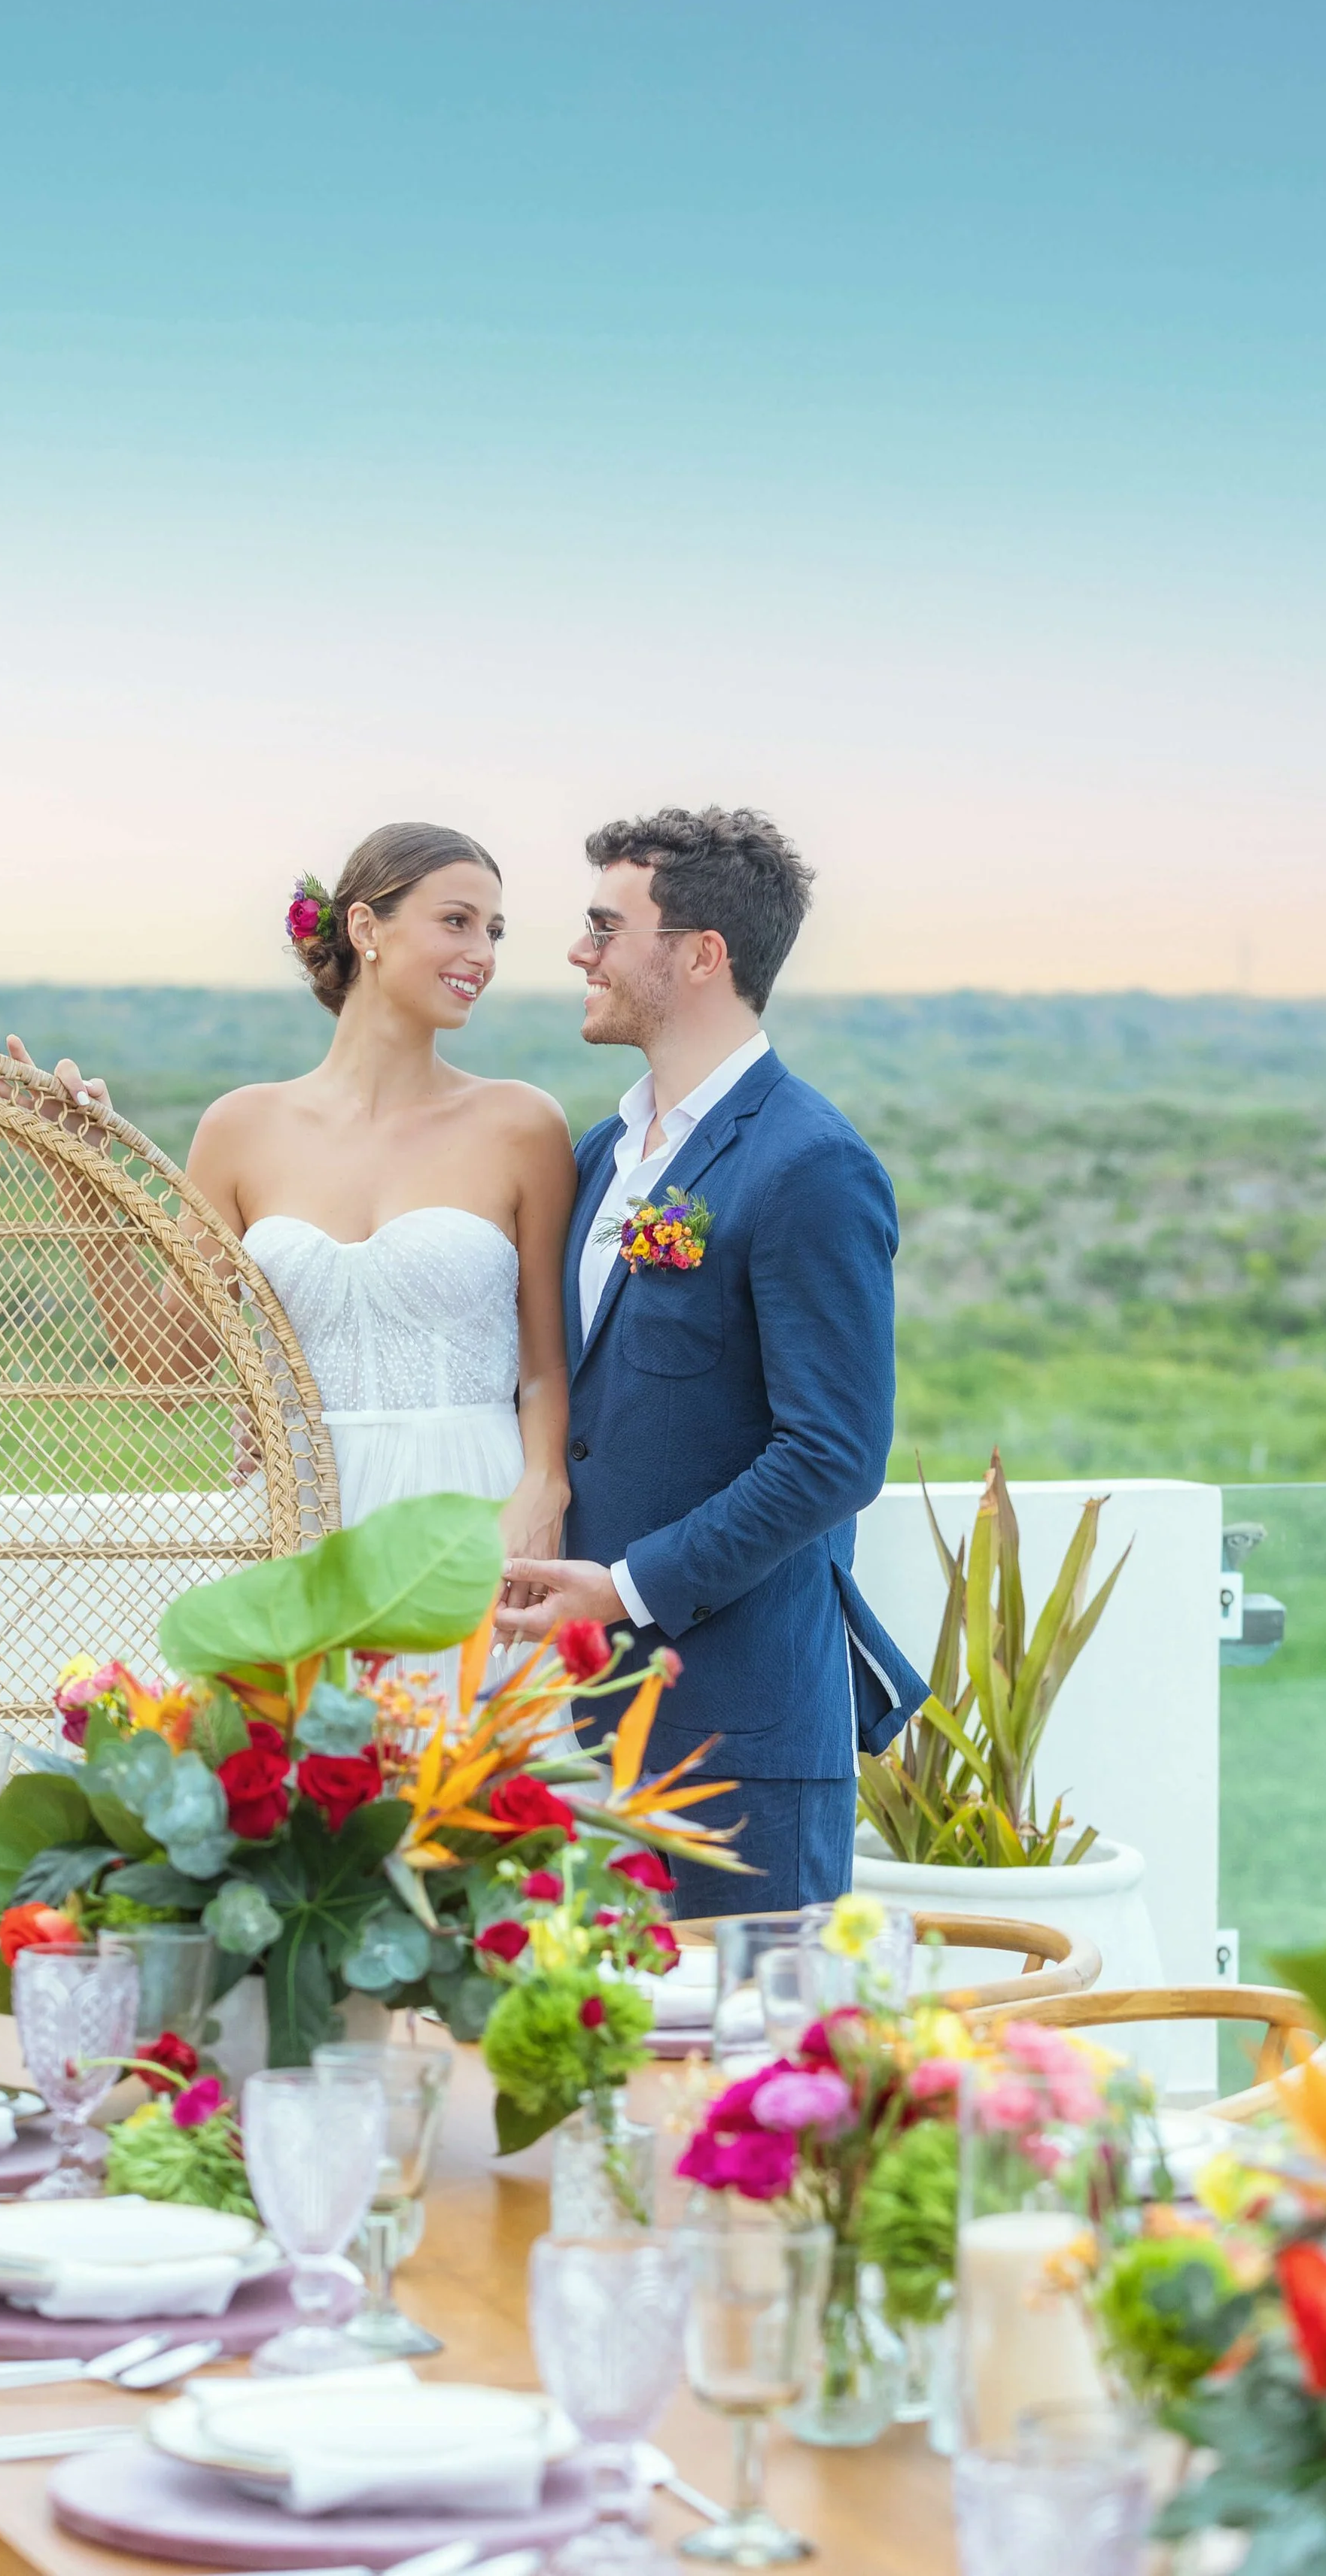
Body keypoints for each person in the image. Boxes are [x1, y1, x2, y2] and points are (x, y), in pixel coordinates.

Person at [494, 804, 927, 1916]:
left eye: (605, 925)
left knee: (741, 2065)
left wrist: (627, 1588)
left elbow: (833, 1455)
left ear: (698, 955)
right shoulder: (599, 1154)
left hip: (738, 1734)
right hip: (580, 1722)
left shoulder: (811, 1164)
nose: (579, 952)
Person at [3, 821, 576, 1569]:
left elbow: (546, 1366)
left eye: (494, 932)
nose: (484, 956)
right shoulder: (241, 1127)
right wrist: (83, 1180)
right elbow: (168, 1371)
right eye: (457, 922)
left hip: (473, 1522)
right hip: (297, 1522)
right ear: (367, 927)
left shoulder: (522, 1125)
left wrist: (541, 1491)